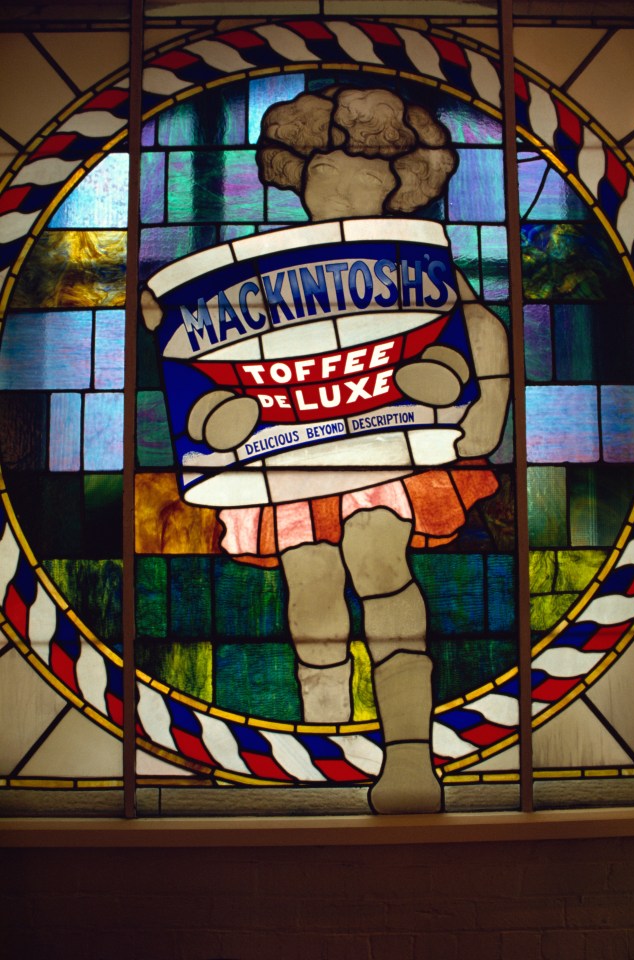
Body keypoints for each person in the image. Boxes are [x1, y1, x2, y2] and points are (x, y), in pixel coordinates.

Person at [144, 86, 510, 813]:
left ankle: (408, 757)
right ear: (297, 178)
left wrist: (490, 402)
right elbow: (214, 340)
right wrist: (167, 325)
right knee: (310, 590)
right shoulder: (264, 268)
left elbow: (478, 320)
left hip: (389, 443)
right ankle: (327, 752)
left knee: (380, 566)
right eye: (322, 175)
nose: (340, 189)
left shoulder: (418, 256)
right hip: (290, 450)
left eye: (363, 177)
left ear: (402, 187)